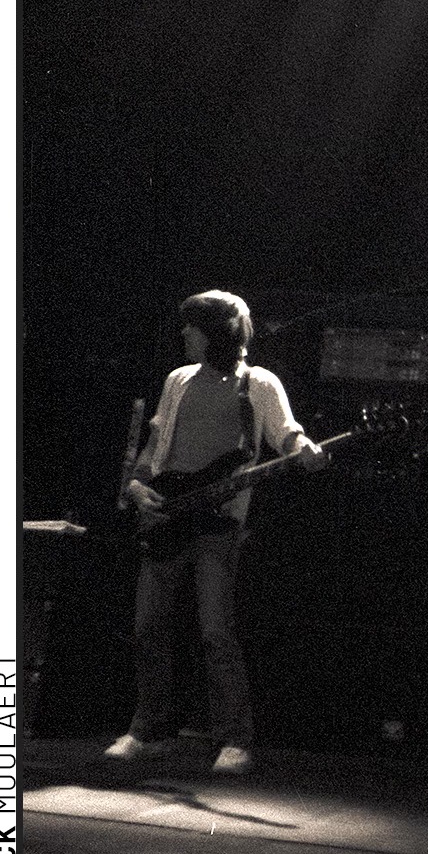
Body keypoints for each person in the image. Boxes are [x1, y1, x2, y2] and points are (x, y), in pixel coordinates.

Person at [103, 289, 322, 774]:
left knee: (215, 632)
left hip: (219, 524)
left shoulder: (258, 383)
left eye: (193, 326)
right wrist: (137, 487)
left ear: (214, 333)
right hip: (166, 515)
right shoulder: (178, 379)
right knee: (148, 628)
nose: (184, 332)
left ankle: (235, 739)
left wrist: (304, 448)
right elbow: (156, 443)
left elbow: (287, 433)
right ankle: (148, 731)